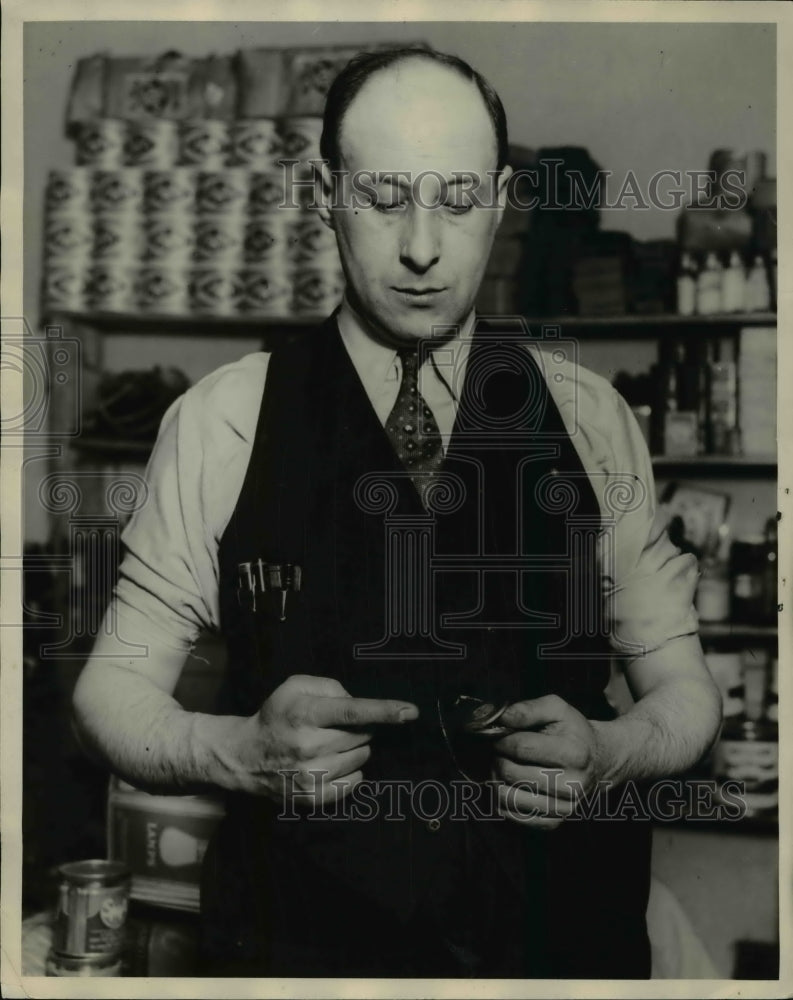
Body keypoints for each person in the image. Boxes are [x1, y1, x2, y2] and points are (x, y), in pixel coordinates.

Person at [73, 47, 722, 978]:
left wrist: (612, 754)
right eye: (382, 199)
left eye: (457, 200)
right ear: (322, 195)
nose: (422, 247)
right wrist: (234, 751)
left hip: (559, 946)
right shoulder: (224, 418)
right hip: (302, 952)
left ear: (500, 201)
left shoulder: (592, 418)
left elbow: (687, 695)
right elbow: (107, 696)